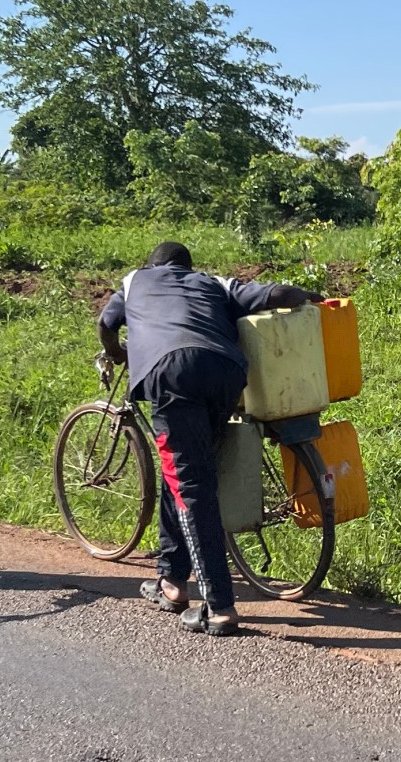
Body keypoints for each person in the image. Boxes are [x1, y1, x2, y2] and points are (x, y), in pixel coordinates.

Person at [98, 241, 323, 635]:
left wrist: (116, 351)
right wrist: (306, 295)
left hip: (171, 374)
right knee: (183, 471)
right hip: (226, 373)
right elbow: (275, 295)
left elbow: (106, 323)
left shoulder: (136, 281)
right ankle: (171, 580)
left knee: (191, 487)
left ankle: (218, 606)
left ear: (152, 265)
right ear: (187, 267)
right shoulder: (213, 283)